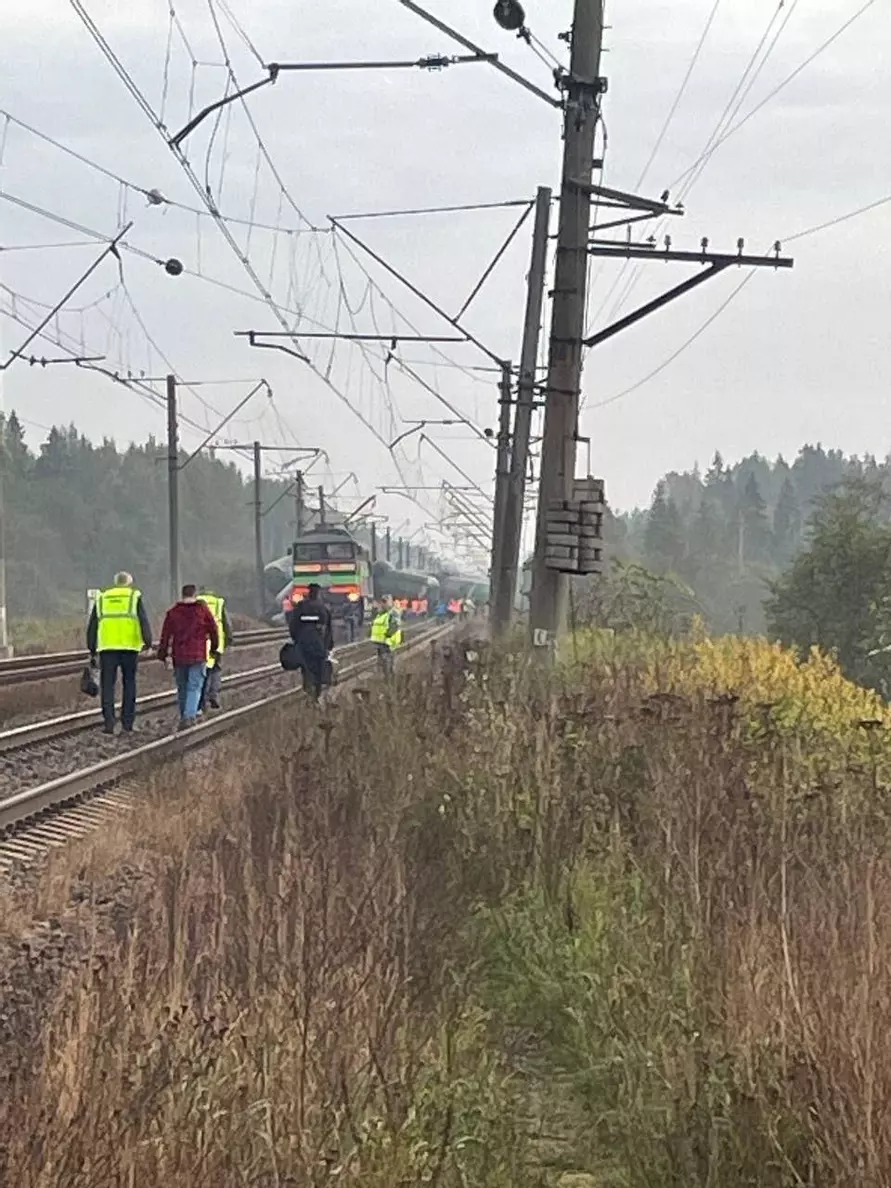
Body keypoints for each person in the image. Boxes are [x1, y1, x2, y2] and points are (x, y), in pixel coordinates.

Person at [86, 571, 153, 735]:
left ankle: (109, 722)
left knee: (107, 685)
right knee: (129, 683)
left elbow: (93, 624)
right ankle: (127, 723)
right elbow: (143, 620)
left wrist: (92, 648)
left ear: (116, 582)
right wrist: (148, 642)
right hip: (129, 647)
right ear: (129, 583)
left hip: (107, 648)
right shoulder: (133, 597)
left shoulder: (102, 598)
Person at [157, 584, 219, 730]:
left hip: (179, 656)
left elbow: (165, 635)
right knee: (194, 687)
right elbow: (214, 630)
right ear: (195, 594)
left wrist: (162, 654)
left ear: (182, 595)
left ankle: (185, 715)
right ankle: (189, 716)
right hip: (198, 654)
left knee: (182, 687)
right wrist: (214, 648)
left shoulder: (173, 612)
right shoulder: (202, 610)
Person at [289, 582, 334, 700]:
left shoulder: (300, 607)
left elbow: (293, 626)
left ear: (308, 593)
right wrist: (328, 646)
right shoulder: (323, 609)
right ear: (318, 593)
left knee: (306, 668)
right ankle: (316, 695)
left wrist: (297, 641)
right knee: (319, 669)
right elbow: (328, 630)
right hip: (319, 646)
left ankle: (308, 690)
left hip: (303, 645)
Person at [197, 587, 233, 712]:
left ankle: (201, 700)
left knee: (202, 670)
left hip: (200, 641)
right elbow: (226, 623)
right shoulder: (218, 602)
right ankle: (213, 694)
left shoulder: (196, 601)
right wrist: (229, 638)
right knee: (215, 668)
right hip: (217, 641)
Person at [370, 595, 403, 677]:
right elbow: (375, 624)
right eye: (382, 602)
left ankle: (390, 678)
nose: (383, 604)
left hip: (388, 642)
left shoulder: (393, 613)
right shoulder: (380, 613)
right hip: (379, 642)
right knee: (381, 661)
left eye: (385, 602)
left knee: (388, 661)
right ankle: (384, 676)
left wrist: (388, 634)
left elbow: (395, 625)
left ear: (390, 602)